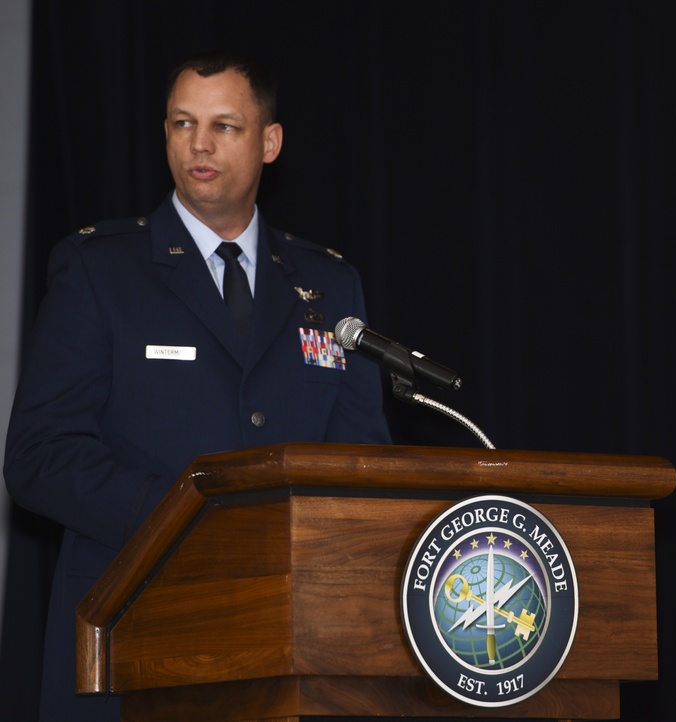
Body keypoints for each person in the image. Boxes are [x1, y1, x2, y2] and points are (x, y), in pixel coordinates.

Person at [4, 52, 391, 721]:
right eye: (182, 124)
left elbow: (362, 462)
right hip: (135, 633)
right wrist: (191, 516)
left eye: (224, 126)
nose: (200, 144)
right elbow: (39, 457)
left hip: (295, 645)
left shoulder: (328, 284)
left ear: (269, 142)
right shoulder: (100, 270)